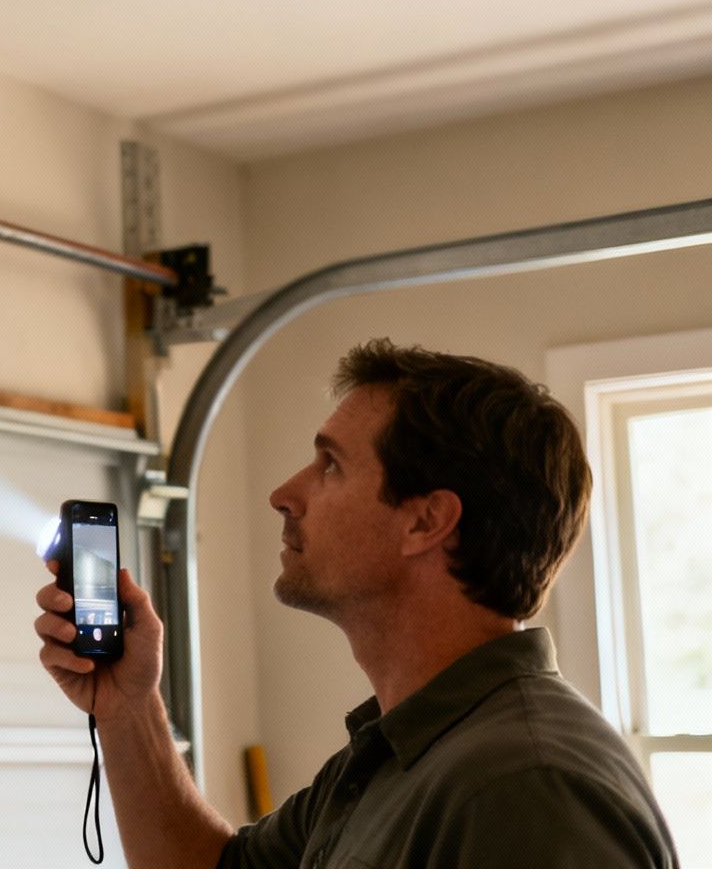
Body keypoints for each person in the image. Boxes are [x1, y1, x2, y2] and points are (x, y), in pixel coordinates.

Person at [36, 338, 677, 868]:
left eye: (331, 465)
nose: (285, 493)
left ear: (426, 521)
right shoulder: (397, 752)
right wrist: (128, 708)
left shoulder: (524, 787)